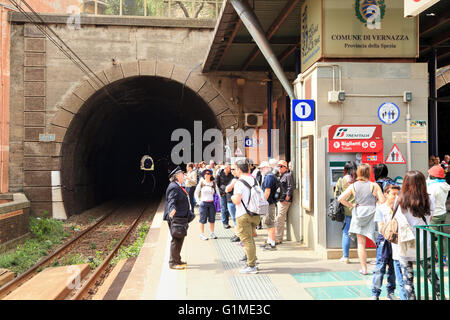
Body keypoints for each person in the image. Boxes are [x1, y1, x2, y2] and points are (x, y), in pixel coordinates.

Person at [396, 170, 441, 300]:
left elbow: (397, 220)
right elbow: (430, 219)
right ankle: (440, 296)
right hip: (424, 243)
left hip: (406, 243)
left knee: (408, 280)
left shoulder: (400, 200)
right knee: (432, 276)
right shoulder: (429, 198)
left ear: (405, 183)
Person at [338, 163, 385, 275]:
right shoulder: (374, 186)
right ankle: (380, 266)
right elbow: (383, 201)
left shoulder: (353, 186)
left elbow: (340, 198)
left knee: (361, 243)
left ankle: (364, 268)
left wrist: (351, 205)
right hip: (372, 214)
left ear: (358, 173)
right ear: (369, 173)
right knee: (378, 241)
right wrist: (376, 202)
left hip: (359, 214)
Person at [371, 184, 404, 300]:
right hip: (384, 240)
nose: (396, 197)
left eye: (398, 194)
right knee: (380, 267)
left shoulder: (401, 208)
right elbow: (380, 226)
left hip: (396, 240)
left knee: (393, 268)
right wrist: (390, 230)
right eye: (393, 194)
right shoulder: (380, 208)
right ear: (386, 194)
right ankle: (375, 293)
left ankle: (391, 292)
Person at [231, 159, 261, 274]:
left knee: (247, 240)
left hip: (243, 215)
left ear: (239, 169)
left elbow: (237, 200)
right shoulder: (254, 180)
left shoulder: (239, 183)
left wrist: (233, 197)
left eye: (235, 168)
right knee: (251, 239)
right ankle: (253, 260)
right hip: (255, 214)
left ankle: (251, 265)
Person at [163, 166, 191, 270]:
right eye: (182, 174)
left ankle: (177, 259)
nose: (184, 175)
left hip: (181, 217)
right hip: (176, 217)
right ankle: (173, 262)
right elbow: (171, 200)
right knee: (176, 239)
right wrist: (172, 209)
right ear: (177, 176)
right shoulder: (173, 187)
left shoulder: (178, 185)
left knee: (180, 238)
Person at [334, 161, 357, 264]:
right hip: (358, 211)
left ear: (345, 169)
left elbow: (336, 194)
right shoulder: (358, 180)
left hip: (346, 210)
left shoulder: (341, 180)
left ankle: (346, 256)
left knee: (346, 233)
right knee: (361, 234)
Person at [427, 165, 450, 262]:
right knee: (442, 235)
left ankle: (438, 257)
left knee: (434, 237)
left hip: (434, 215)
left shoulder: (433, 187)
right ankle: (444, 256)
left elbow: (429, 200)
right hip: (442, 213)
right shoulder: (444, 185)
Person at [194, 169, 221, 241]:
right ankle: (202, 234)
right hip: (203, 204)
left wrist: (220, 203)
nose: (206, 174)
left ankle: (212, 233)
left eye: (208, 173)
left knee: (212, 219)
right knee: (202, 219)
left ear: (211, 175)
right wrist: (198, 201)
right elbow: (196, 193)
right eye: (205, 173)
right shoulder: (201, 183)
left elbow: (218, 193)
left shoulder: (213, 183)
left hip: (212, 203)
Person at [259, 161, 279, 251]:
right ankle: (269, 241)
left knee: (270, 223)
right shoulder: (269, 176)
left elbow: (267, 191)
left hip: (269, 203)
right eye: (260, 168)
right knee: (268, 223)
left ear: (267, 167)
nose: (261, 170)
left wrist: (263, 202)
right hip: (269, 203)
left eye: (262, 168)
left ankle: (272, 243)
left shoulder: (269, 177)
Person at [275, 160, 294, 245]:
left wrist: (287, 199)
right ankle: (278, 237)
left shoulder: (288, 175)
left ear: (286, 168)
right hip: (280, 200)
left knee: (280, 219)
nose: (279, 168)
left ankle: (278, 238)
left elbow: (290, 187)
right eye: (278, 166)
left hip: (284, 201)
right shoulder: (281, 176)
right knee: (278, 219)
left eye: (281, 166)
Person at [216, 163, 234, 229]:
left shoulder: (231, 175)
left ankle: (227, 221)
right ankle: (224, 222)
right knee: (224, 208)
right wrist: (221, 192)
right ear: (225, 168)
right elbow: (217, 185)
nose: (230, 169)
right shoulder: (219, 174)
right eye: (229, 168)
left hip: (229, 193)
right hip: (223, 193)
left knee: (228, 208)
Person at [226, 163, 240, 242]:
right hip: (231, 200)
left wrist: (227, 188)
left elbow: (228, 189)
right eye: (231, 169)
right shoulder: (234, 178)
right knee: (235, 219)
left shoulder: (236, 179)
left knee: (235, 219)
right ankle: (237, 234)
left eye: (233, 169)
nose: (231, 170)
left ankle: (238, 235)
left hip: (232, 201)